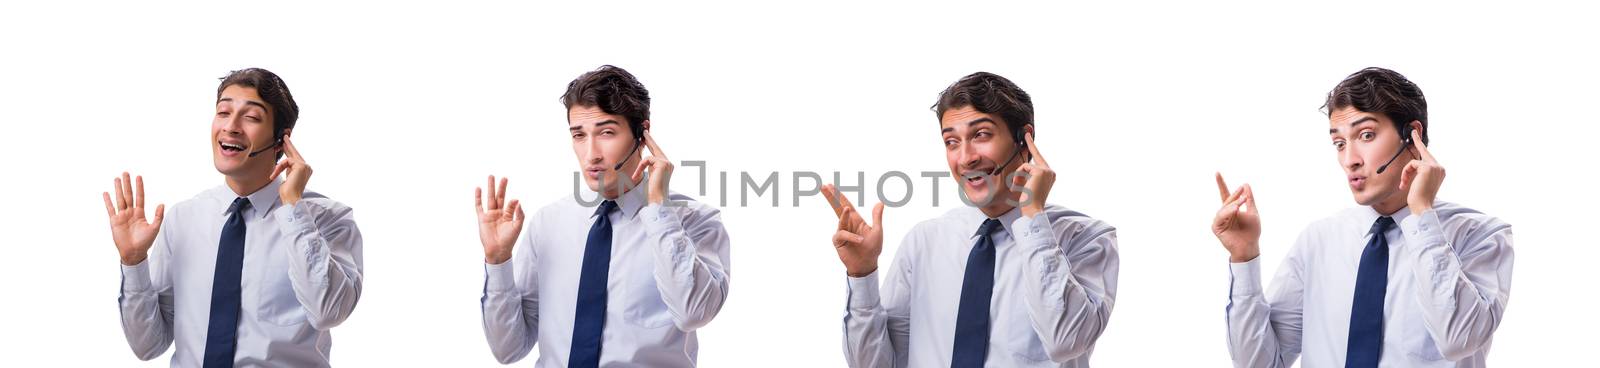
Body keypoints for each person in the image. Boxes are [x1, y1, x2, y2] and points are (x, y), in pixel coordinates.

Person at [1215, 67, 1514, 367]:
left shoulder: (1481, 235)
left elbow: (1458, 339)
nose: (1350, 160)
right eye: (1340, 143)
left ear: (1413, 135)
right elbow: (1260, 364)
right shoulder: (1319, 241)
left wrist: (1422, 213)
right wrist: (1244, 257)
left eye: (1366, 135)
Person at [829, 72, 1119, 367]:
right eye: (952, 141)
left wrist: (1033, 217)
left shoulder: (1087, 238)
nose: (966, 158)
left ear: (1024, 139)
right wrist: (862, 274)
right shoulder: (925, 241)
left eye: (981, 135)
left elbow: (1066, 341)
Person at [107, 68, 364, 367]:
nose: (231, 126)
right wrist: (134, 260)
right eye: (223, 112)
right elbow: (147, 345)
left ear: (281, 141)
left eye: (251, 117)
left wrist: (294, 208)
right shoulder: (183, 220)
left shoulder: (328, 219)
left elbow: (328, 312)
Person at [477, 65, 732, 367]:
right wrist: (497, 260)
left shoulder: (696, 221)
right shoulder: (548, 224)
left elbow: (693, 312)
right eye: (579, 135)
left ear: (642, 135)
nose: (591, 154)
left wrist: (659, 211)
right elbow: (508, 349)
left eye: (606, 133)